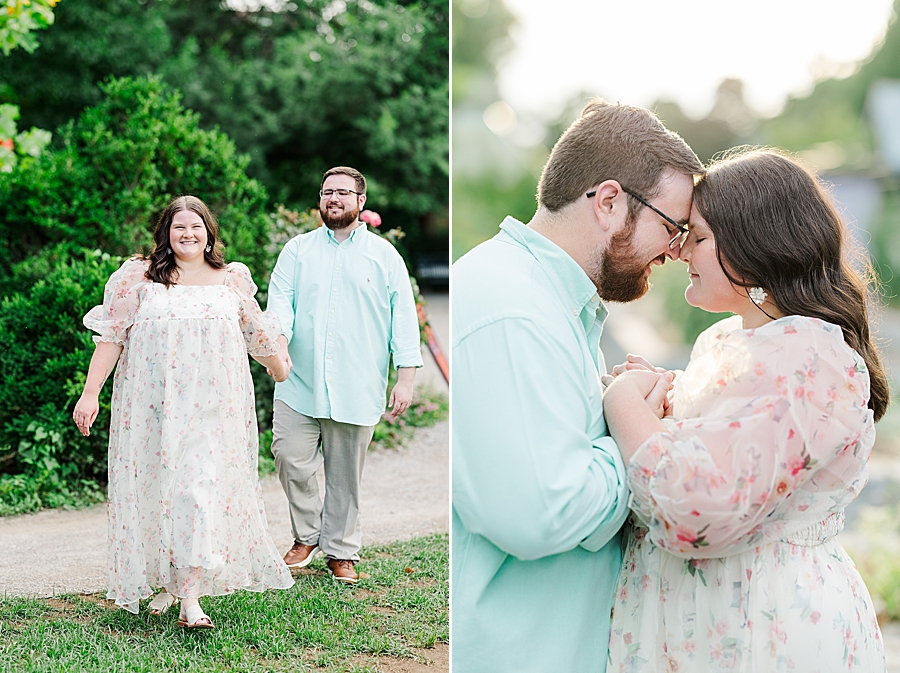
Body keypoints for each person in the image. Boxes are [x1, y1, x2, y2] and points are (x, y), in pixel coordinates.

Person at [603, 148, 889, 672]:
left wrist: (624, 405)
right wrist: (662, 400)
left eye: (699, 235)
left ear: (755, 247)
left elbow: (701, 508)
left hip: (762, 627)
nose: (682, 249)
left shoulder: (809, 356)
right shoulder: (732, 342)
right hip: (715, 622)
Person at [451, 100, 704, 672]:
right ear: (610, 202)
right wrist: (640, 434)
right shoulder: (511, 309)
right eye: (672, 227)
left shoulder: (550, 302)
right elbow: (545, 510)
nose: (675, 251)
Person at [72, 195, 294, 628]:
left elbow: (256, 331)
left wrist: (279, 366)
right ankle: (167, 582)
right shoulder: (138, 277)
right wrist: (90, 393)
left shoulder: (231, 279)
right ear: (165, 233)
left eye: (196, 226)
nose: (188, 233)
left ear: (209, 232)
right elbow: (112, 337)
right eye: (178, 227)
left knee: (196, 493)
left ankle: (190, 599)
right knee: (158, 492)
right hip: (151, 410)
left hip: (214, 411)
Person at [266, 166, 423, 584]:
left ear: (360, 201)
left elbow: (404, 320)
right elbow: (280, 305)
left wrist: (404, 378)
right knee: (289, 457)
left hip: (358, 383)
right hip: (298, 382)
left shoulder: (385, 256)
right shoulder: (296, 251)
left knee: (345, 476)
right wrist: (277, 344)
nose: (333, 198)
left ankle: (341, 550)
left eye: (342, 192)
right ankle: (308, 535)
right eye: (327, 192)